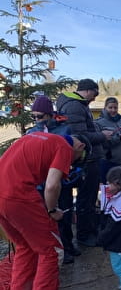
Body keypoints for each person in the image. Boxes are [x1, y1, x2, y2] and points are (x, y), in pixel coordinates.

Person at [0, 132, 88, 290]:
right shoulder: (64, 148)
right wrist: (51, 210)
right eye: (74, 161)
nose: (70, 166)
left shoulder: (39, 137)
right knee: (51, 251)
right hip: (19, 197)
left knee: (24, 247)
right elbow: (51, 185)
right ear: (79, 146)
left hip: (2, 196)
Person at [57, 78, 113, 247]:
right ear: (88, 91)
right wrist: (102, 135)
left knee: (88, 198)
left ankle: (89, 229)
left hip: (90, 157)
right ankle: (84, 235)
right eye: (95, 94)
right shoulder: (74, 106)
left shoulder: (78, 105)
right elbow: (79, 137)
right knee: (86, 199)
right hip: (86, 159)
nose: (95, 98)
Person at [27, 96, 82, 264]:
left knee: (64, 214)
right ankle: (58, 250)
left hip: (60, 180)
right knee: (49, 217)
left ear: (50, 115)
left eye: (40, 116)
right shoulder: (31, 133)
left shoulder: (64, 130)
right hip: (41, 183)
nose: (37, 120)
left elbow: (73, 151)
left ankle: (68, 246)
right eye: (34, 116)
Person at [94, 97, 121, 183]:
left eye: (115, 107)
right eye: (110, 107)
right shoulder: (98, 123)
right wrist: (119, 139)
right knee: (109, 190)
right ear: (105, 108)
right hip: (109, 163)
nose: (113, 110)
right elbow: (101, 143)